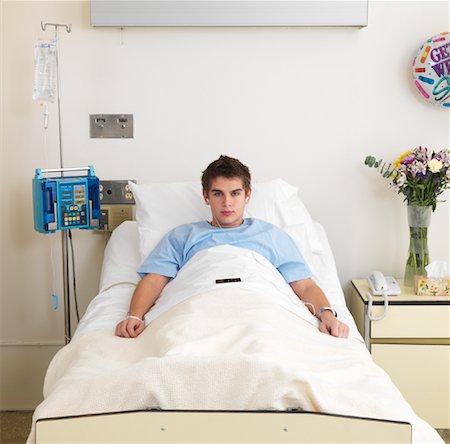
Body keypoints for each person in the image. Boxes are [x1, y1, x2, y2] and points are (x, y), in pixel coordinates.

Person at [115, 155, 349, 339]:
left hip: (259, 305)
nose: (227, 202)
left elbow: (305, 286)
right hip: (198, 303)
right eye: (218, 194)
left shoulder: (271, 236)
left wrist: (327, 315)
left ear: (247, 195)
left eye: (235, 193)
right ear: (206, 197)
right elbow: (154, 280)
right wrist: (134, 315)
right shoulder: (182, 236)